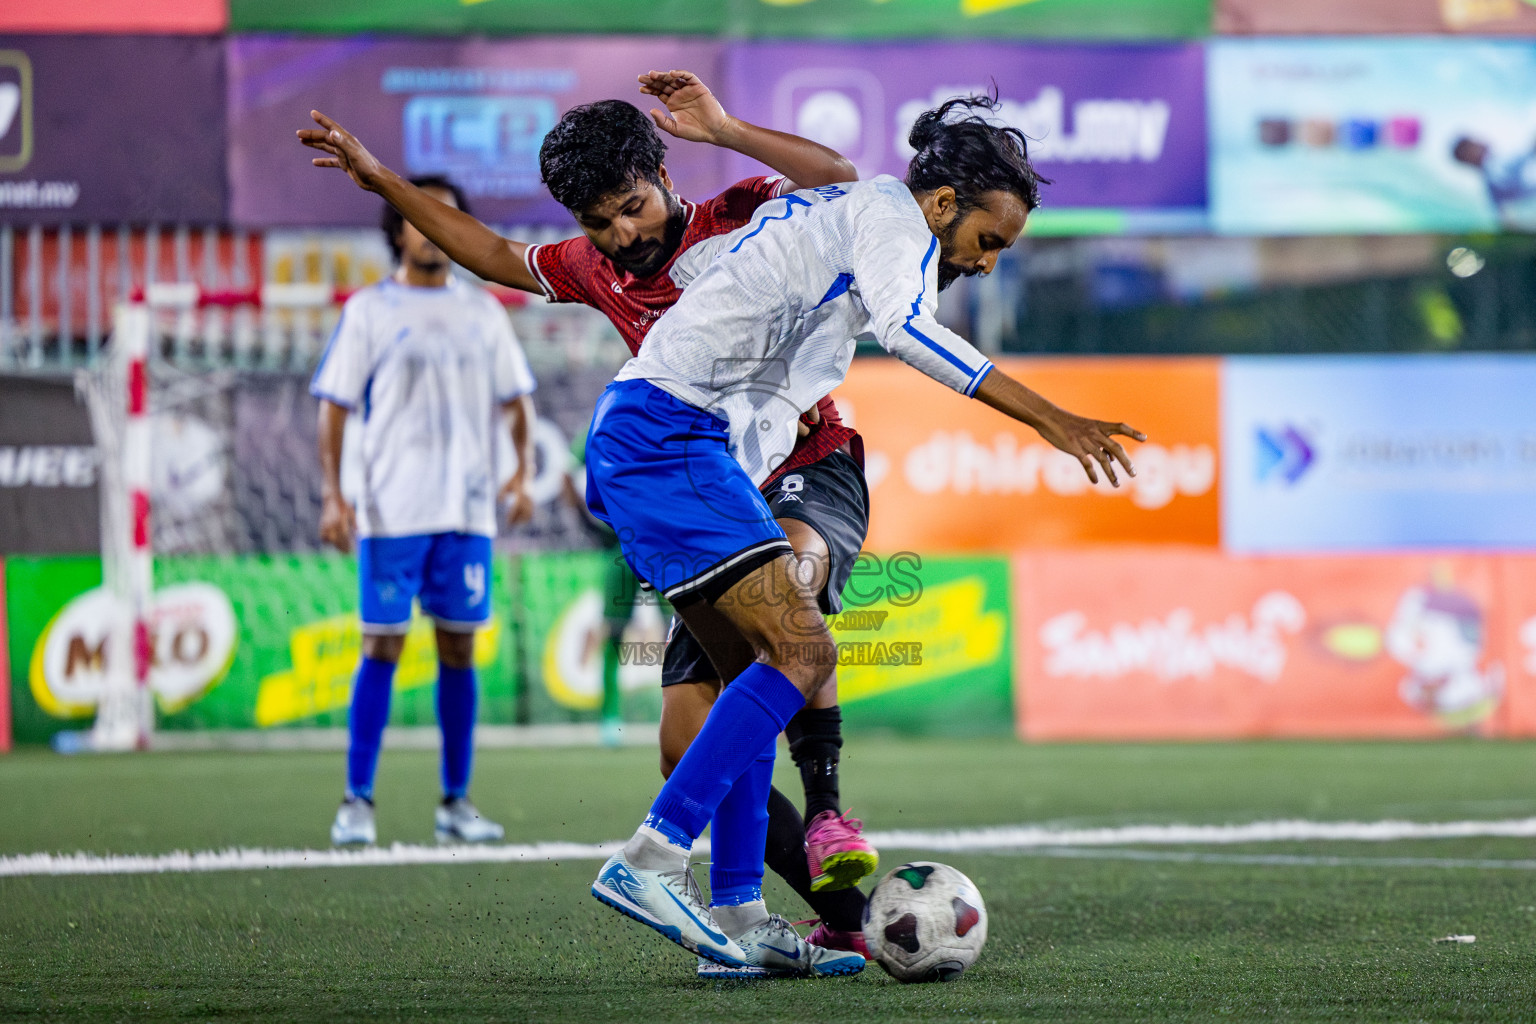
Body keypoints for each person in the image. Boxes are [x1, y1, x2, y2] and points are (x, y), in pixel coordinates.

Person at [300, 70, 875, 967]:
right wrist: (380, 180)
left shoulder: (749, 211)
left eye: (634, 207)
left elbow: (838, 180)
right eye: (597, 222)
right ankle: (741, 916)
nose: (622, 235)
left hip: (798, 462)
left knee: (788, 637)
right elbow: (491, 254)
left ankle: (763, 858)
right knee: (692, 732)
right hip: (700, 484)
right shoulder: (596, 267)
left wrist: (724, 126)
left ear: (664, 174)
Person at [580, 93, 1145, 972]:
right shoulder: (891, 218)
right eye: (989, 242)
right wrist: (1050, 417)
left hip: (671, 436)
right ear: (945, 203)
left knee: (753, 670)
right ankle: (651, 860)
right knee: (805, 654)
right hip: (667, 437)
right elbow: (911, 330)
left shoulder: (840, 210)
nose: (987, 265)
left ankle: (734, 917)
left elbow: (706, 275)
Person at [311, 175, 538, 847]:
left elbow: (515, 400)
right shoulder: (369, 311)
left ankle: (455, 802)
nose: (433, 226)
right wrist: (334, 493)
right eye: (421, 214)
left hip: (467, 511)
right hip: (391, 509)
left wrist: (520, 473)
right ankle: (357, 799)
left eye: (448, 215)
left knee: (459, 649)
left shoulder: (484, 312)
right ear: (399, 228)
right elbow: (334, 406)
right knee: (380, 643)